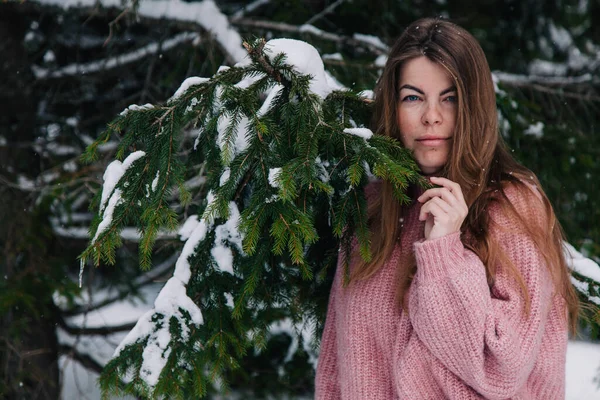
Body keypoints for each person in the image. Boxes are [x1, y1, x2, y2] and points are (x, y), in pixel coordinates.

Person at [315, 17, 579, 399]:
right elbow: (336, 370)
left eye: (449, 97)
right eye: (413, 96)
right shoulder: (371, 210)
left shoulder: (513, 207)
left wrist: (445, 254)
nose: (431, 116)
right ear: (393, 106)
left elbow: (499, 367)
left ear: (473, 106)